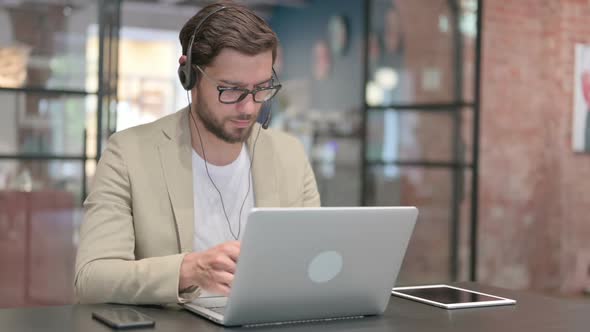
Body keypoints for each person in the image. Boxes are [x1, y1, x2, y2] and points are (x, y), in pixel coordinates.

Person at [74, 1, 320, 305]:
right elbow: (92, 278)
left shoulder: (289, 155)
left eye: (261, 88)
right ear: (190, 77)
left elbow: (313, 263)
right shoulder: (128, 154)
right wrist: (189, 270)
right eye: (231, 90)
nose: (249, 107)